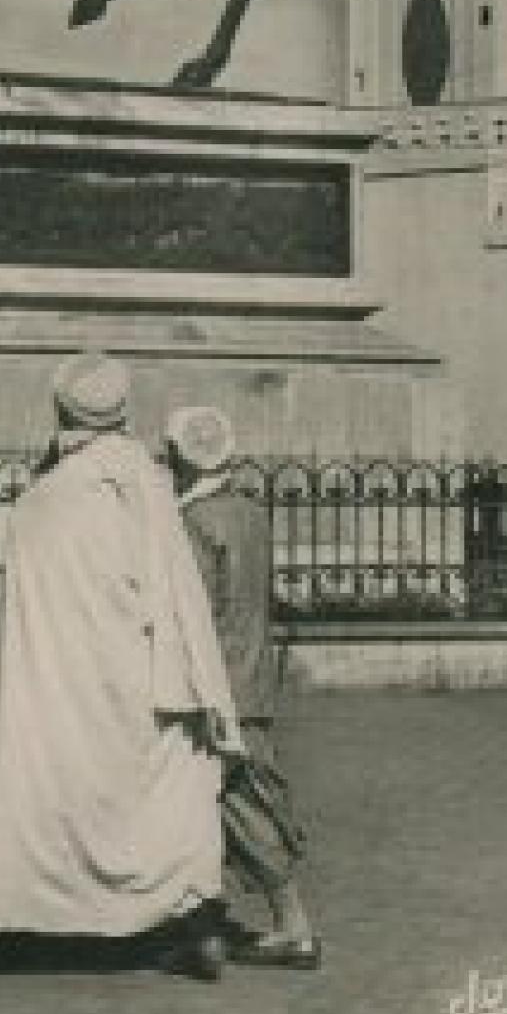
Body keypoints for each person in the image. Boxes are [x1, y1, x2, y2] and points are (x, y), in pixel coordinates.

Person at [0, 352, 245, 980]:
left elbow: (17, 612)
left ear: (60, 408)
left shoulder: (44, 498)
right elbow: (179, 595)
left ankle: (31, 922)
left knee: (46, 791)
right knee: (163, 792)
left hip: (52, 682)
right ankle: (173, 920)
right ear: (123, 410)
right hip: (136, 674)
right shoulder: (147, 486)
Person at [165, 405, 322, 969]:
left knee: (238, 800)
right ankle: (205, 920)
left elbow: (196, 609)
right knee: (240, 794)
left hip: (217, 681)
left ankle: (292, 924)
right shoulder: (252, 513)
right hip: (253, 673)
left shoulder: (193, 522)